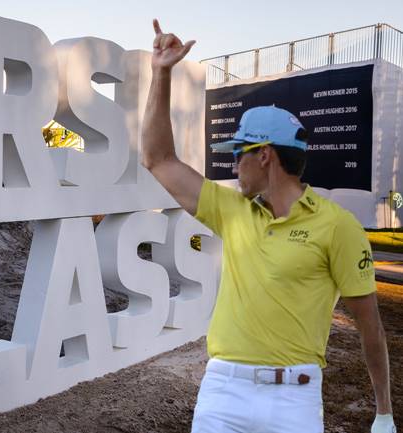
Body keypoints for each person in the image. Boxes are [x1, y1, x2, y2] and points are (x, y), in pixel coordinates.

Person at [141, 19, 396, 433]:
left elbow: (371, 328)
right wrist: (161, 72)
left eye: (237, 153)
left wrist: (383, 412)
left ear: (264, 157)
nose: (231, 164)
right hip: (223, 393)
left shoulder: (338, 227)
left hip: (294, 401)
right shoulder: (231, 208)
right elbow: (158, 159)